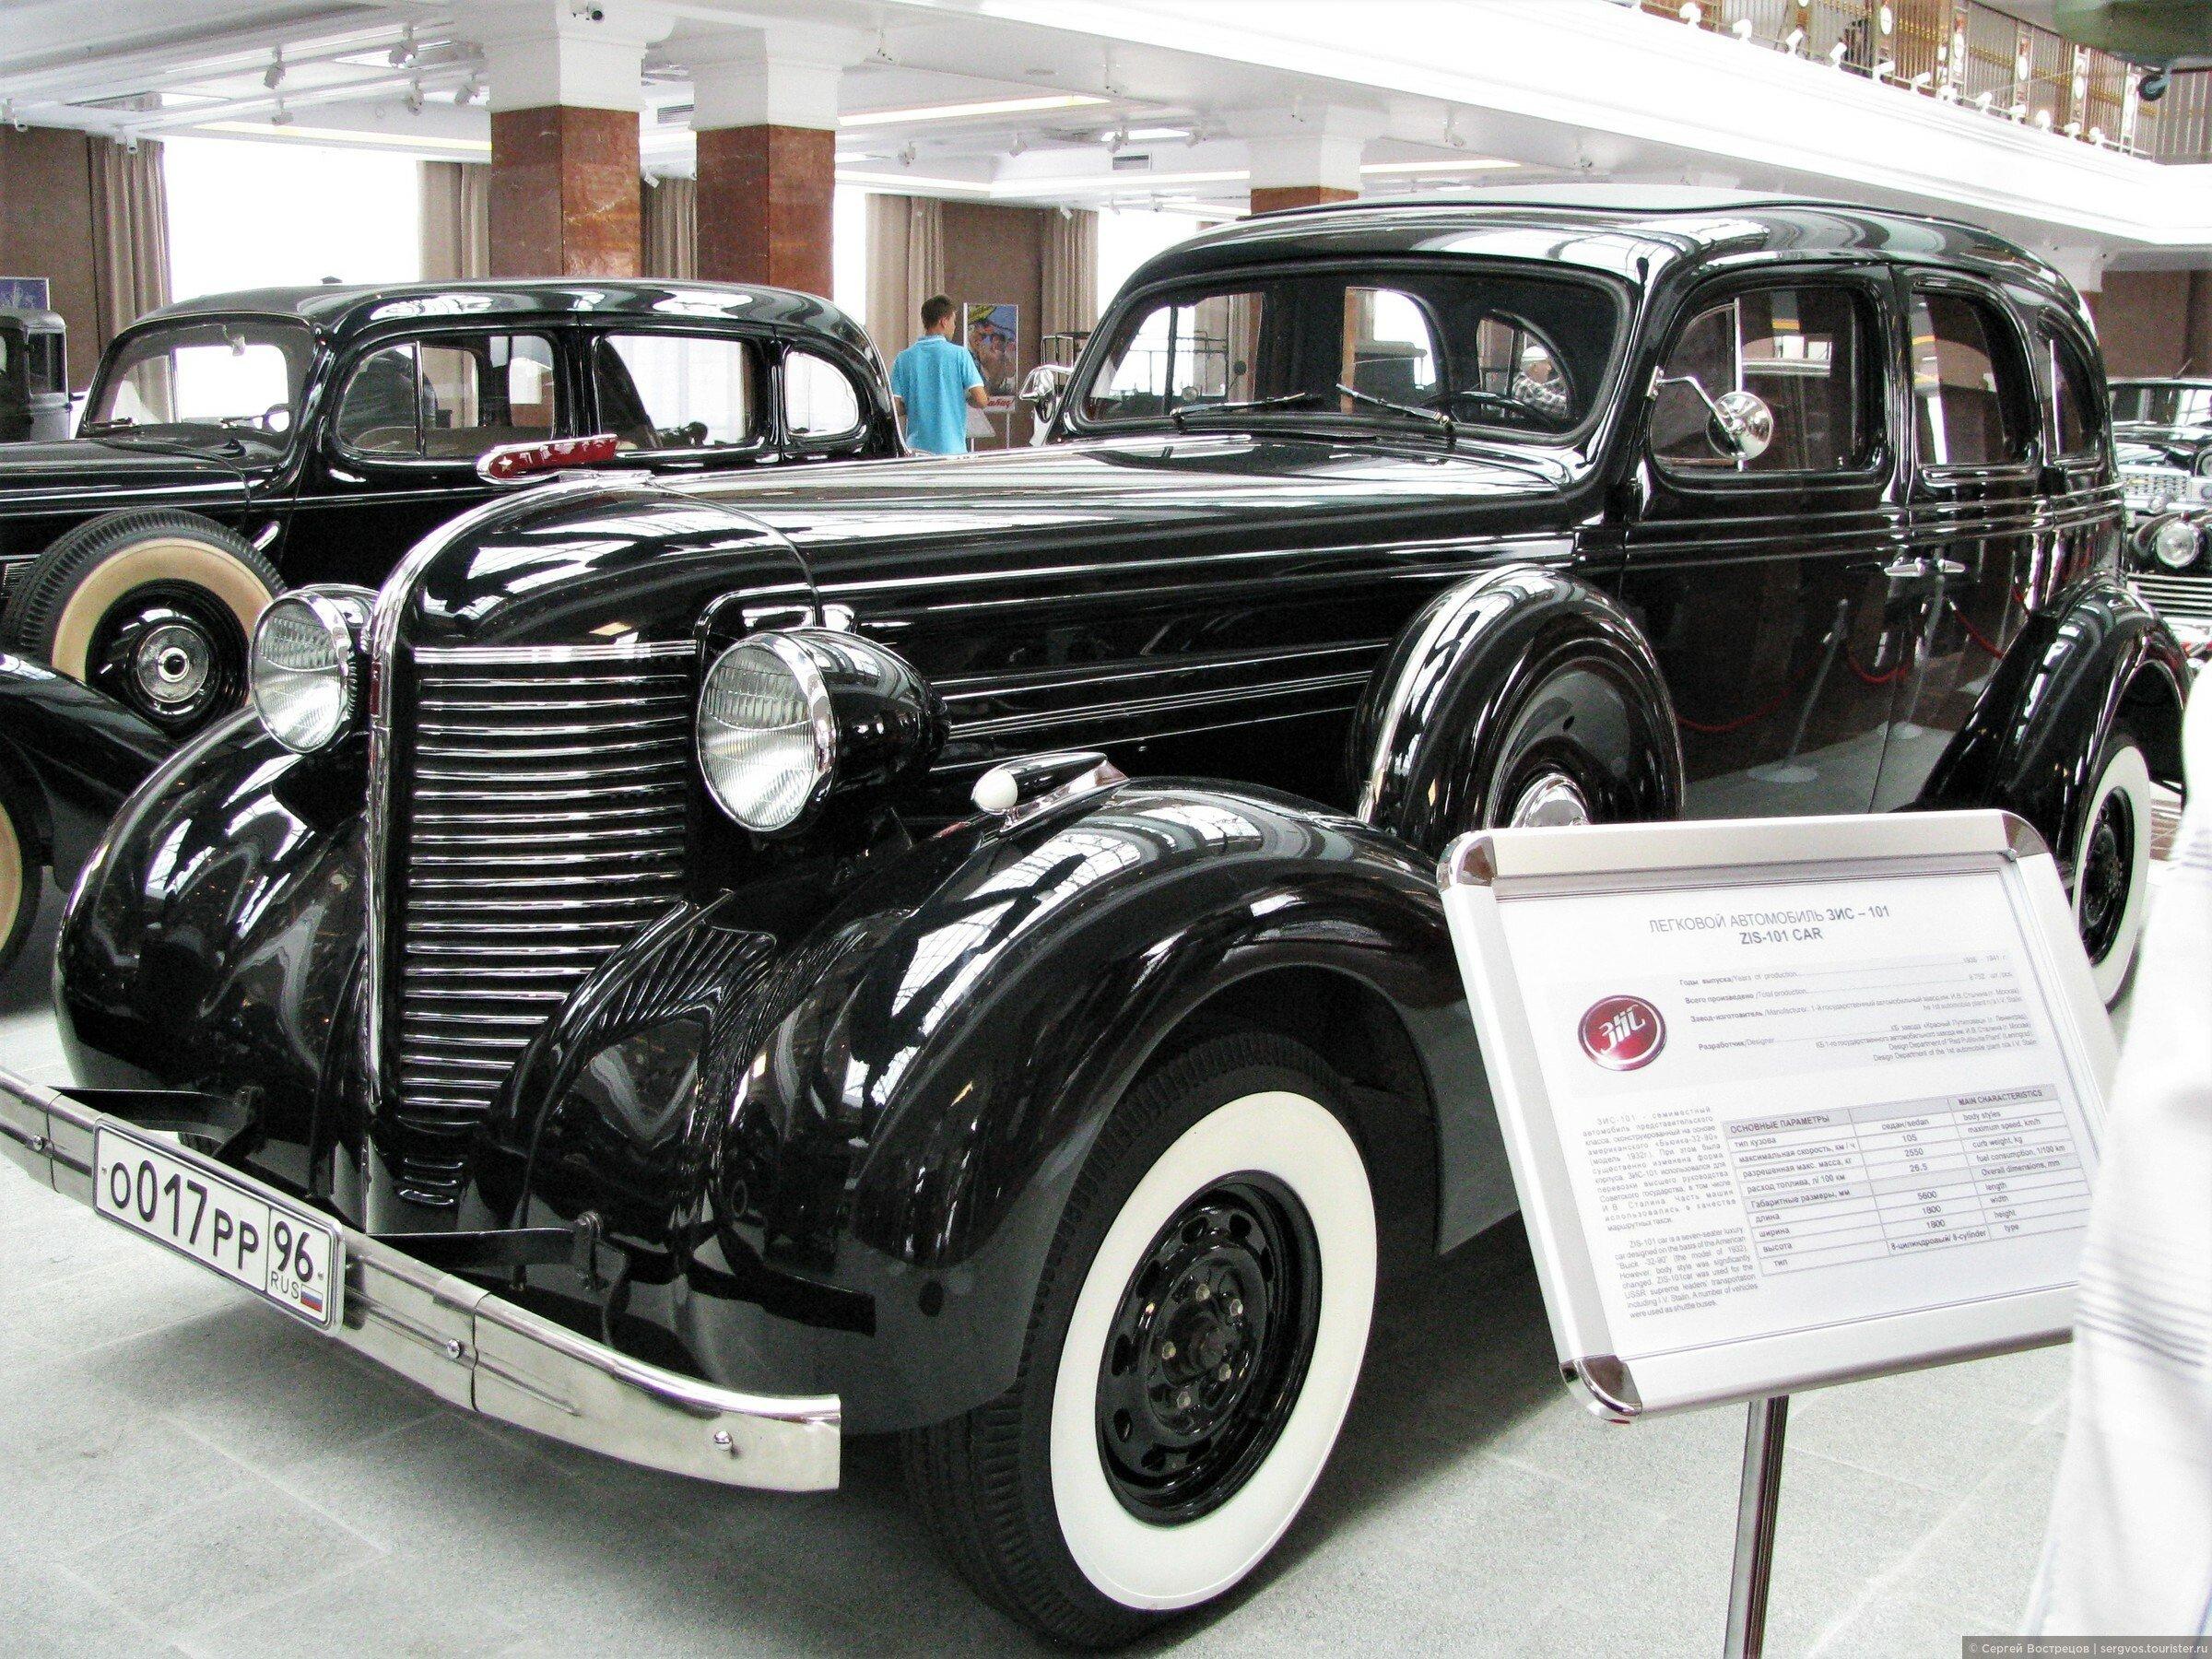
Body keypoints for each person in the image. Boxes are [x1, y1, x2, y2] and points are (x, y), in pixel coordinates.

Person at [890, 295, 987, 455]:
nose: (954, 326)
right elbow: (981, 400)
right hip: (951, 450)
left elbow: (894, 407)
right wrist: (963, 398)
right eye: (953, 321)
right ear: (944, 321)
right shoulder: (960, 354)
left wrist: (919, 404)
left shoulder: (903, 358)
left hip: (916, 450)